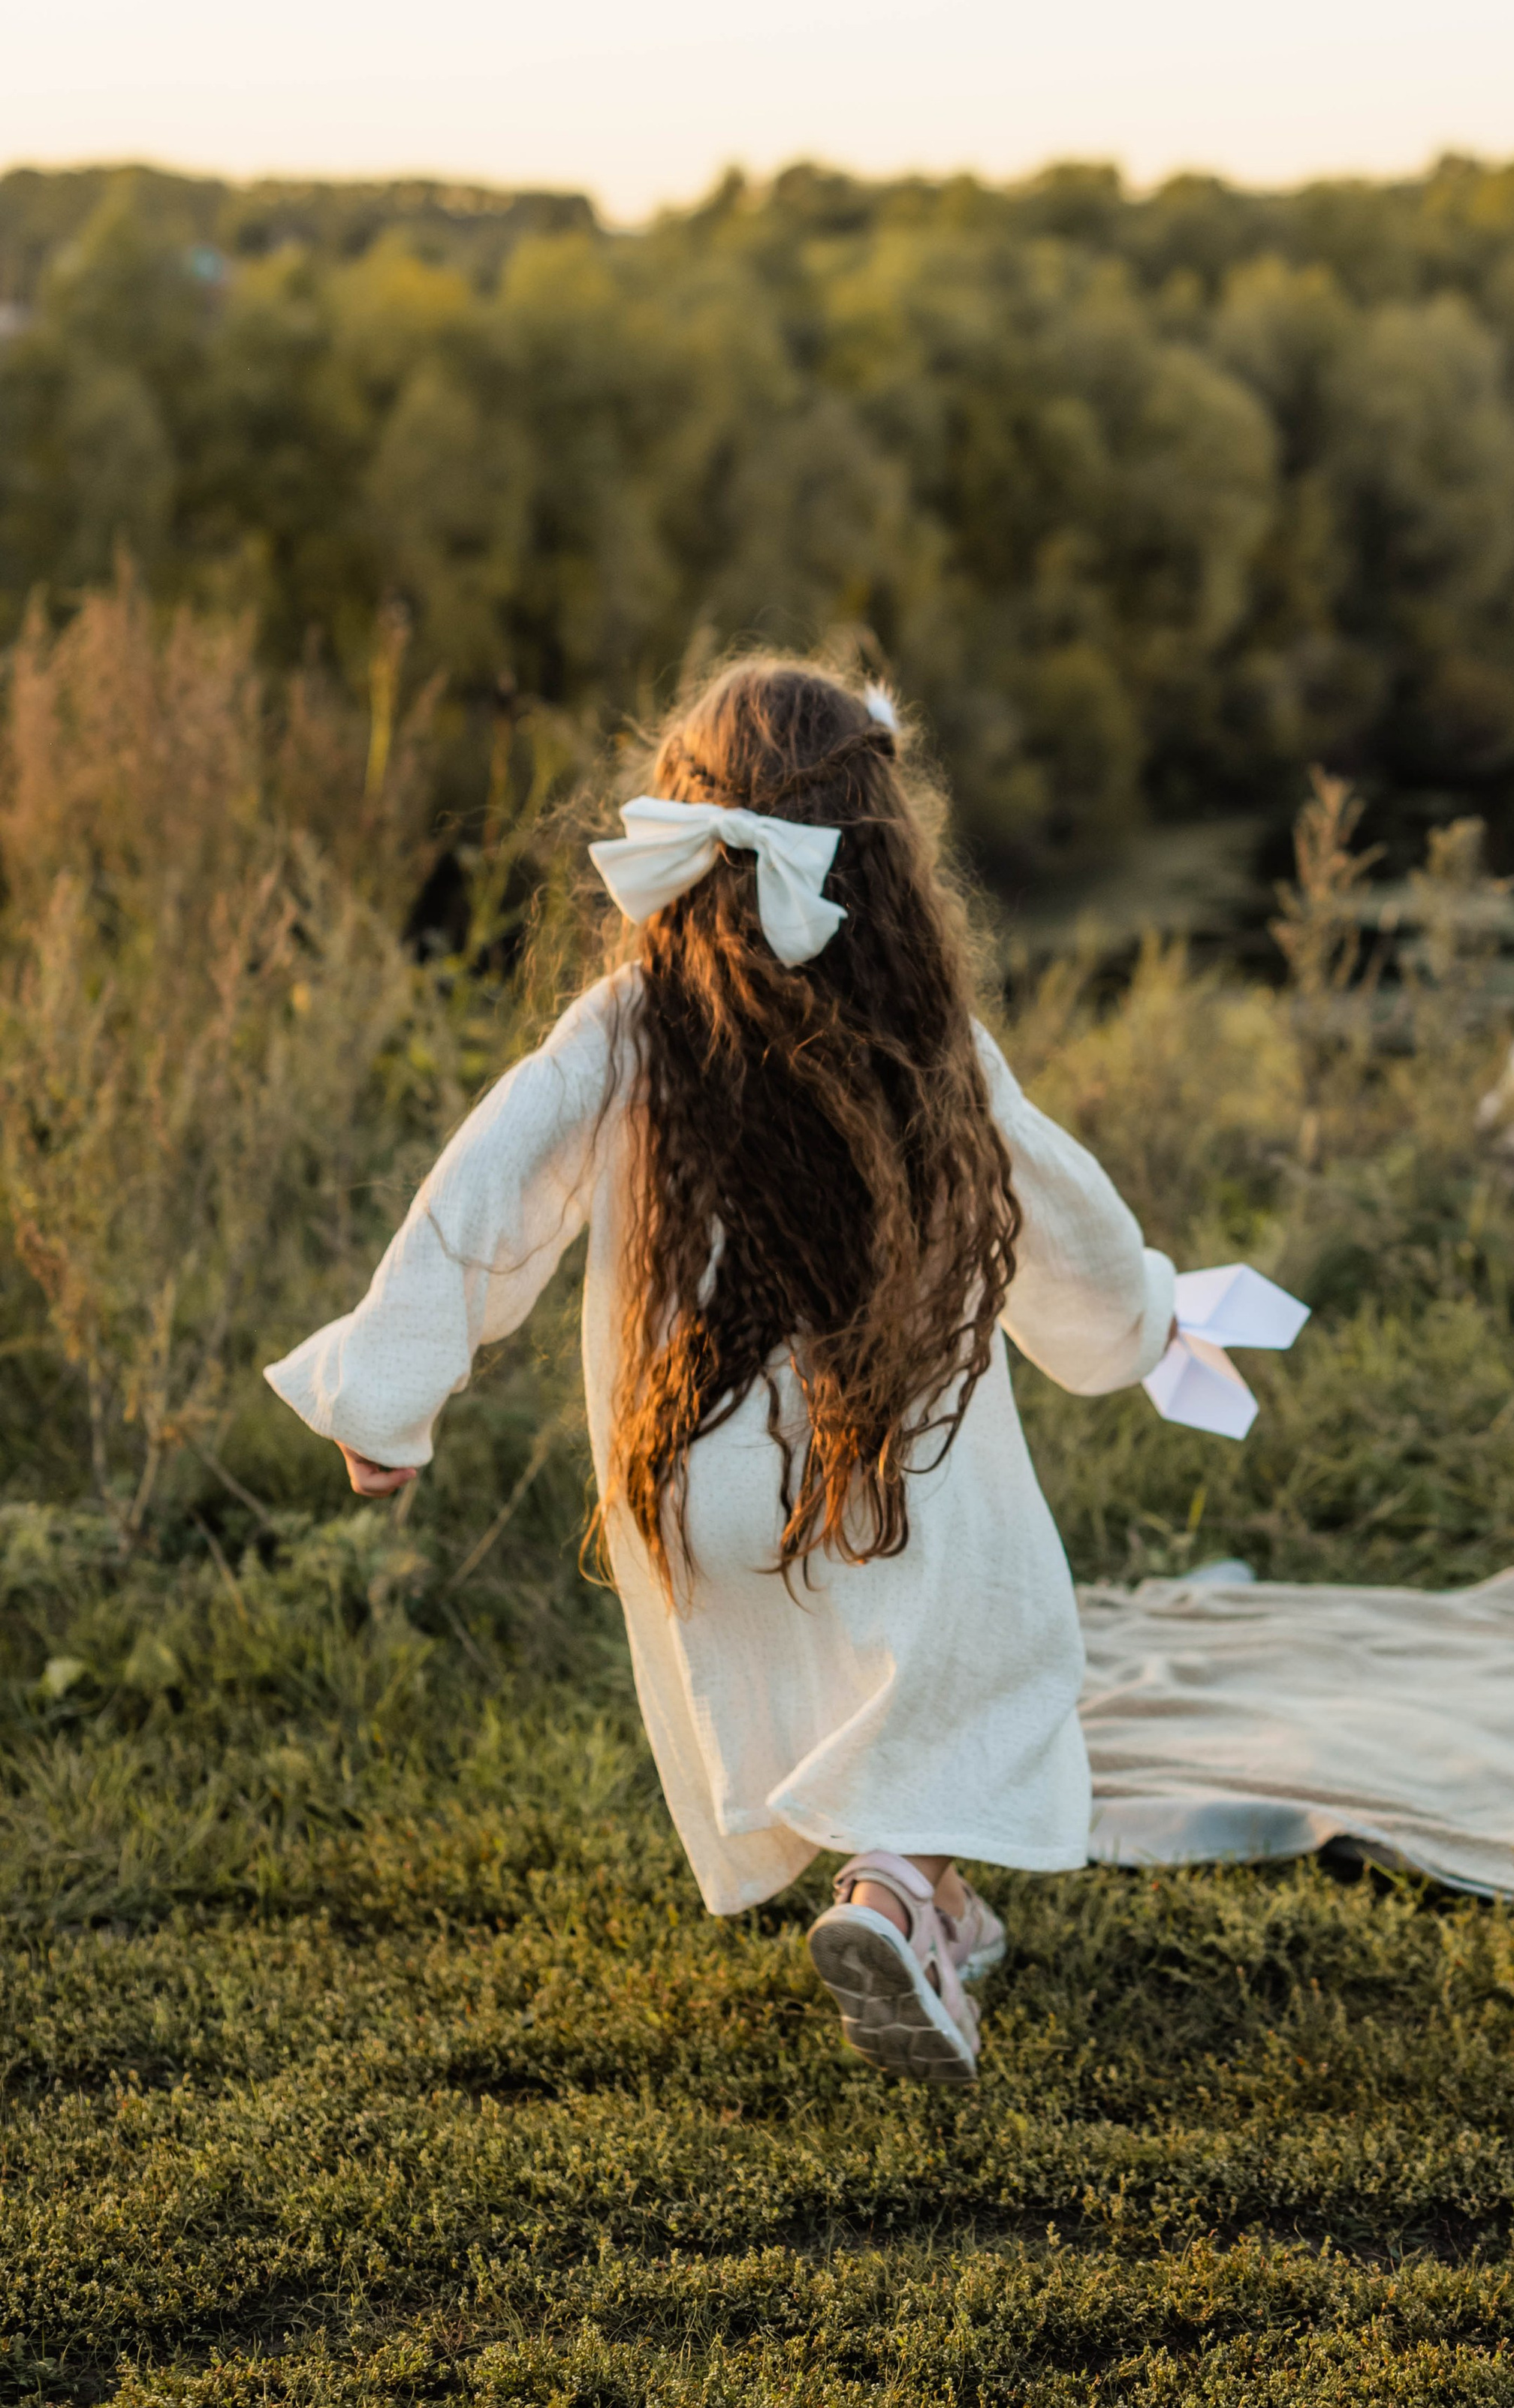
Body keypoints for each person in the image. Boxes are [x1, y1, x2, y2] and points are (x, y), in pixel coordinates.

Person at [266, 659, 1174, 2083]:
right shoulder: (930, 1040)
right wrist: (1146, 1326)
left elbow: (482, 1192)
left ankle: (937, 1903)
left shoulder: (629, 1024)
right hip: (883, 1464)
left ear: (685, 831)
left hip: (691, 1474)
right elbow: (1067, 1225)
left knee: (842, 1662)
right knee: (992, 1643)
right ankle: (894, 1897)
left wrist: (389, 1391)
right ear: (883, 845)